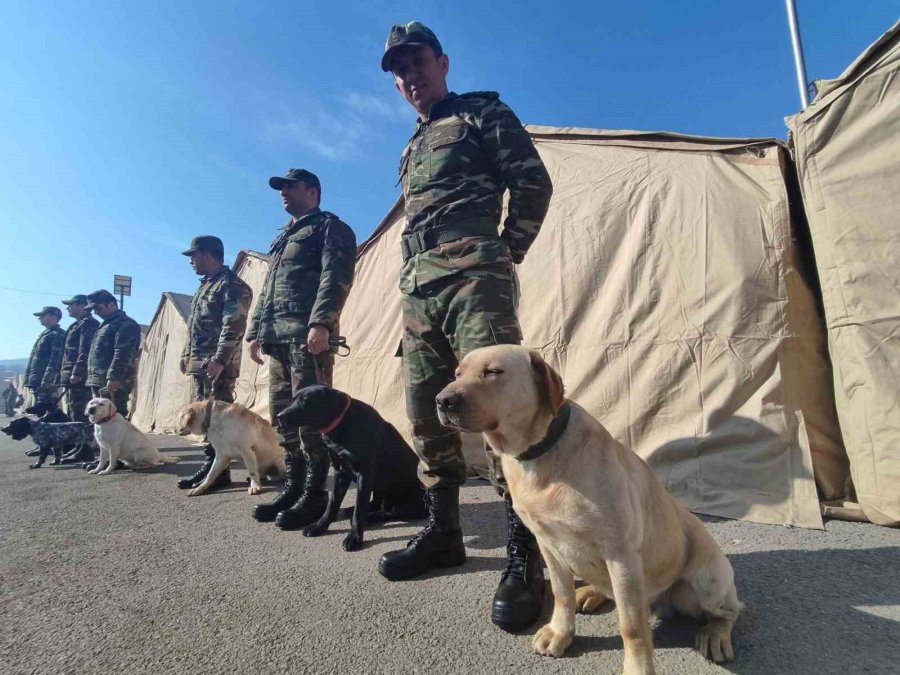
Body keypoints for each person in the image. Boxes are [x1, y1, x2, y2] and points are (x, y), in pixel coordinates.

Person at [377, 22, 554, 632]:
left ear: (443, 62)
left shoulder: (481, 112)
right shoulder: (411, 147)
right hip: (418, 291)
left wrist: (504, 252)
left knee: (500, 407)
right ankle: (444, 533)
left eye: (418, 62)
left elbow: (532, 182)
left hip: (474, 277)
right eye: (400, 71)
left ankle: (526, 554)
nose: (410, 76)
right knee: (427, 413)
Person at [247, 168, 356, 530]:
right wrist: (256, 332)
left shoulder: (330, 228)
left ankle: (315, 494)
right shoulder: (282, 238)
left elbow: (335, 276)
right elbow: (267, 289)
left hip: (307, 337)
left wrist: (321, 322)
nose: (283, 192)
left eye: (290, 186)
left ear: (312, 192)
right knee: (285, 416)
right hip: (277, 338)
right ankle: (295, 486)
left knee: (312, 419)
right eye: (281, 188)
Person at [177, 235, 253, 492]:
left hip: (217, 365)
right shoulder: (205, 287)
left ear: (208, 255)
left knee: (218, 419)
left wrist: (220, 359)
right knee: (203, 418)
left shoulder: (232, 285)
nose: (191, 262)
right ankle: (211, 465)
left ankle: (219, 472)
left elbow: (234, 325)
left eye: (193, 256)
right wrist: (186, 354)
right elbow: (194, 326)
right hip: (200, 363)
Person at [85, 290, 141, 417]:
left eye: (98, 308)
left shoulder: (126, 324)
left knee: (114, 420)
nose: (95, 312)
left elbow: (123, 353)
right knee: (99, 421)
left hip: (113, 383)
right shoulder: (105, 325)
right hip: (99, 381)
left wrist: (114, 377)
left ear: (111, 304)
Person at [59, 295, 100, 423]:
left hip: (80, 378)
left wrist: (78, 372)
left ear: (82, 306)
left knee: (80, 414)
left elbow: (86, 350)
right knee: (73, 411)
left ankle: (83, 437)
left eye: (71, 305)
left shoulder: (88, 324)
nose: (68, 308)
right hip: (73, 377)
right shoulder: (77, 324)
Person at [24, 306, 66, 409]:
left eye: (43, 316)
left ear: (53, 317)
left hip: (47, 382)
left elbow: (55, 360)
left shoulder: (58, 334)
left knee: (48, 410)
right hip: (38, 380)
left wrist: (47, 380)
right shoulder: (45, 334)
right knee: (41, 411)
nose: (40, 318)